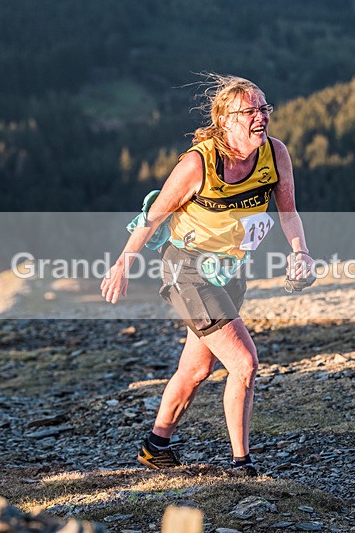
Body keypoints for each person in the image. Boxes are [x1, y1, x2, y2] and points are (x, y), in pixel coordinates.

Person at [101, 74, 314, 477]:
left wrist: (300, 251)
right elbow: (153, 215)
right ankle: (241, 465)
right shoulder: (198, 162)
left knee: (197, 369)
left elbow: (288, 212)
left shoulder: (275, 154)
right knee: (244, 362)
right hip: (188, 270)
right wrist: (123, 262)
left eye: (264, 108)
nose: (260, 117)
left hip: (231, 271)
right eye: (249, 110)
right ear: (224, 119)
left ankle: (155, 446)